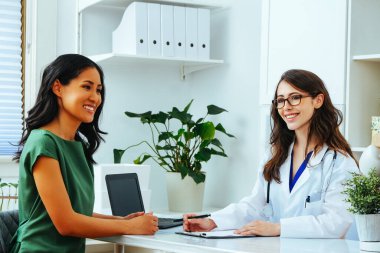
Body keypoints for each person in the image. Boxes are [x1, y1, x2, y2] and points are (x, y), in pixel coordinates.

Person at [183, 69, 359, 238]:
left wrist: (278, 228)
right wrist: (213, 221)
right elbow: (255, 204)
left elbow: (337, 222)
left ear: (318, 100)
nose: (286, 107)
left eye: (295, 98)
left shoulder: (339, 162)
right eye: (280, 100)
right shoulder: (275, 155)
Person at [11, 54, 158, 253]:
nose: (95, 98)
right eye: (86, 87)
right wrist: (130, 227)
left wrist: (120, 220)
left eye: (98, 90)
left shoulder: (78, 144)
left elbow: (78, 213)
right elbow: (67, 223)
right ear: (58, 88)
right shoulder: (43, 143)